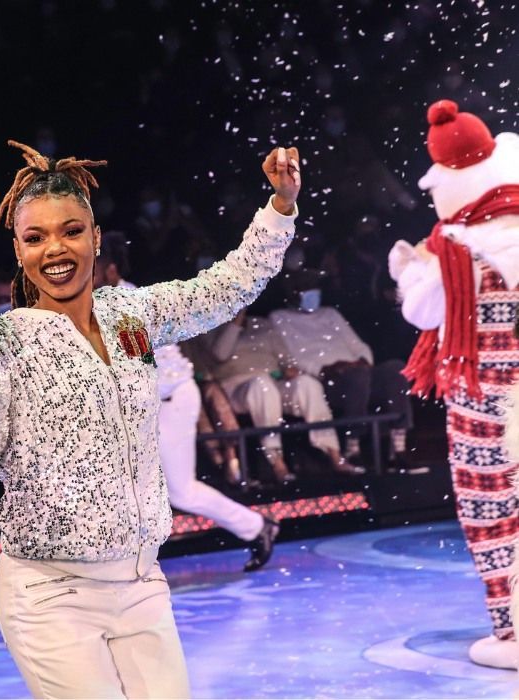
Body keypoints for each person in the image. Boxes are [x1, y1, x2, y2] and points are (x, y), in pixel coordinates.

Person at [0, 140, 300, 697]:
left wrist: (281, 205)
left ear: (96, 238)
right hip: (50, 594)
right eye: (36, 237)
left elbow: (228, 287)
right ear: (19, 250)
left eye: (71, 231)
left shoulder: (132, 313)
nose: (56, 248)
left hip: (143, 582)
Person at [392, 100, 519, 670]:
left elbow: (422, 314)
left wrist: (409, 268)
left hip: (486, 402)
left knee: (491, 511)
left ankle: (513, 628)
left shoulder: (454, 247)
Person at [96, 229, 278, 571]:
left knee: (182, 492)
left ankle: (258, 527)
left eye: (93, 267)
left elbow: (138, 362)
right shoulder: (98, 305)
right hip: (147, 405)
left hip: (170, 400)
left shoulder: (124, 306)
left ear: (111, 271)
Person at [269, 269, 412, 467]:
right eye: (306, 290)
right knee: (357, 377)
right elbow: (293, 355)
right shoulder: (280, 318)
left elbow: (358, 345)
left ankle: (399, 448)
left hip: (358, 371)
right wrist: (327, 368)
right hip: (329, 378)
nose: (313, 294)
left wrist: (364, 360)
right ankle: (353, 446)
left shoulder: (330, 314)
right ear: (294, 293)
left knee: (395, 369)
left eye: (314, 289)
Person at [204, 310, 361, 477]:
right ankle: (277, 462)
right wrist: (235, 322)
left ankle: (334, 455)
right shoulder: (210, 326)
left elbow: (285, 358)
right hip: (237, 387)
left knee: (307, 384)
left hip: (274, 382)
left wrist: (289, 368)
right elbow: (220, 354)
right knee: (262, 386)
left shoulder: (262, 324)